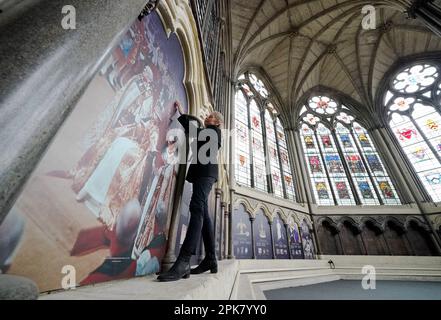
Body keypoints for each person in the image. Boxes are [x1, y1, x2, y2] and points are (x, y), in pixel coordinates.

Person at [157, 101, 223, 282]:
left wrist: (182, 114)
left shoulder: (214, 133)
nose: (206, 117)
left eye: (210, 117)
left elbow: (195, 132)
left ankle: (184, 260)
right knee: (203, 213)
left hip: (205, 174)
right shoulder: (210, 133)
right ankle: (210, 259)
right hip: (203, 174)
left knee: (196, 208)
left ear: (217, 122)